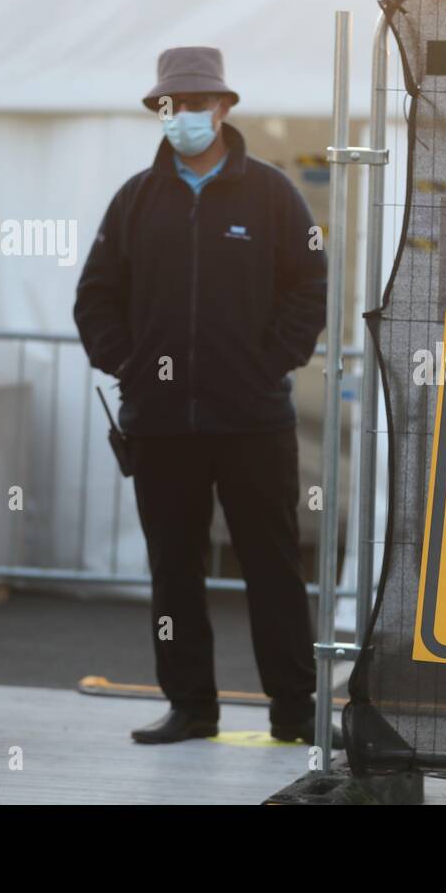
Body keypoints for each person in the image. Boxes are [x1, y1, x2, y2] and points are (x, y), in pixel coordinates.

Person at [74, 46, 331, 745]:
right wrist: (130, 365)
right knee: (174, 572)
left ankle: (295, 710)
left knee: (272, 567)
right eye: (170, 104)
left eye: (195, 103)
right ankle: (191, 706)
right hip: (159, 425)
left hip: (253, 422)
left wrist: (268, 364)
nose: (182, 115)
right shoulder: (134, 200)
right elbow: (95, 299)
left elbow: (310, 288)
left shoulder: (274, 195)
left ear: (223, 108)